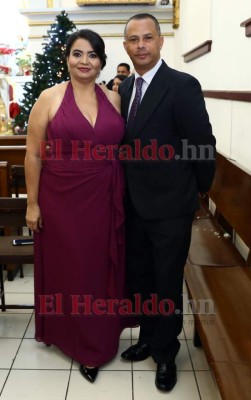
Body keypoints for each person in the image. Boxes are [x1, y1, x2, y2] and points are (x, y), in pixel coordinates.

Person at [25, 29, 129, 384]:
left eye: (93, 55)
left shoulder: (114, 99)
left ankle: (99, 337)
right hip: (62, 202)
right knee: (73, 270)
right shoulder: (48, 98)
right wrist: (33, 204)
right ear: (67, 58)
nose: (85, 61)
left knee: (100, 270)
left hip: (105, 198)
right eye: (77, 54)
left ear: (101, 62)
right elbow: (34, 154)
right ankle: (77, 341)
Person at [119, 13, 216, 392]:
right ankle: (145, 337)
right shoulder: (125, 90)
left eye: (147, 38)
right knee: (141, 277)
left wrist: (197, 193)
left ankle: (165, 352)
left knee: (166, 282)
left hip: (171, 206)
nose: (140, 45)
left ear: (160, 42)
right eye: (133, 39)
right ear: (125, 46)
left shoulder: (182, 85)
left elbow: (202, 144)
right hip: (133, 204)